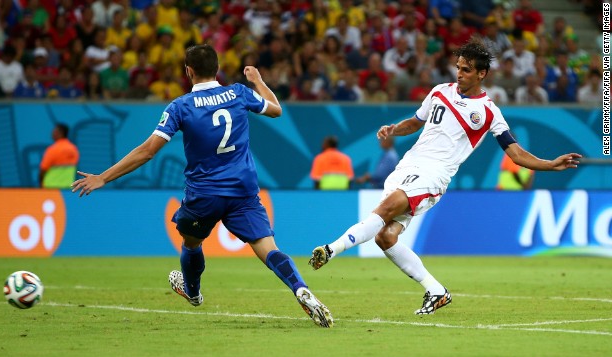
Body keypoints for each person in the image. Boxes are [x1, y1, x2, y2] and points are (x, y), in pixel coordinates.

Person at [308, 39, 581, 315]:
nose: (459, 74)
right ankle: (437, 291)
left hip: (435, 175)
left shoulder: (489, 112)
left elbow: (517, 154)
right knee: (385, 237)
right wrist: (393, 129)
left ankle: (331, 249)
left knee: (386, 208)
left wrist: (550, 164)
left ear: (481, 74)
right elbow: (415, 122)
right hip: (408, 166)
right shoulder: (439, 91)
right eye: (458, 68)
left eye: (466, 70)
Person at [71, 44, 333, 328]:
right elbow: (277, 110)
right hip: (243, 192)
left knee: (191, 243)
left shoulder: (180, 107)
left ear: (189, 71)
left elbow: (147, 151)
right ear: (217, 69)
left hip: (203, 194)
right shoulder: (239, 92)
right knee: (268, 248)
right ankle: (300, 288)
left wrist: (102, 177)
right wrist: (257, 81)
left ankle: (193, 292)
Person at [39, 123, 80, 188]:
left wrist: (41, 183)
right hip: (68, 187)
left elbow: (43, 169)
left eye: (54, 131)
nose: (52, 134)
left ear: (60, 133)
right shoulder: (74, 149)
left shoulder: (53, 149)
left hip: (51, 187)